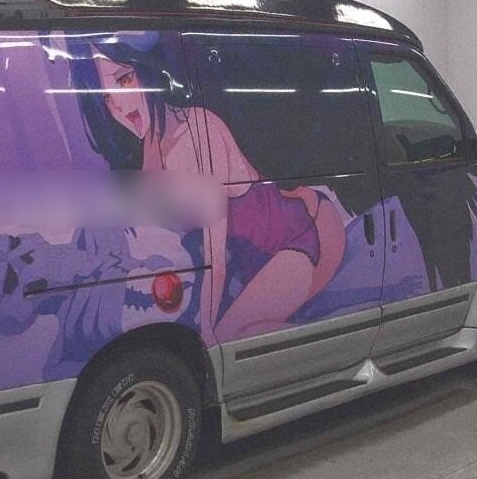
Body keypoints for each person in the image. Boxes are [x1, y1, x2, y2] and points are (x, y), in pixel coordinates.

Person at [65, 32, 346, 342]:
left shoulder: (199, 132)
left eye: (124, 80)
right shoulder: (148, 154)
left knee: (229, 333)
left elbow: (215, 253)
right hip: (252, 263)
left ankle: (339, 349)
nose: (118, 104)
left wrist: (207, 328)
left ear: (149, 72)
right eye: (105, 97)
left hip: (294, 239)